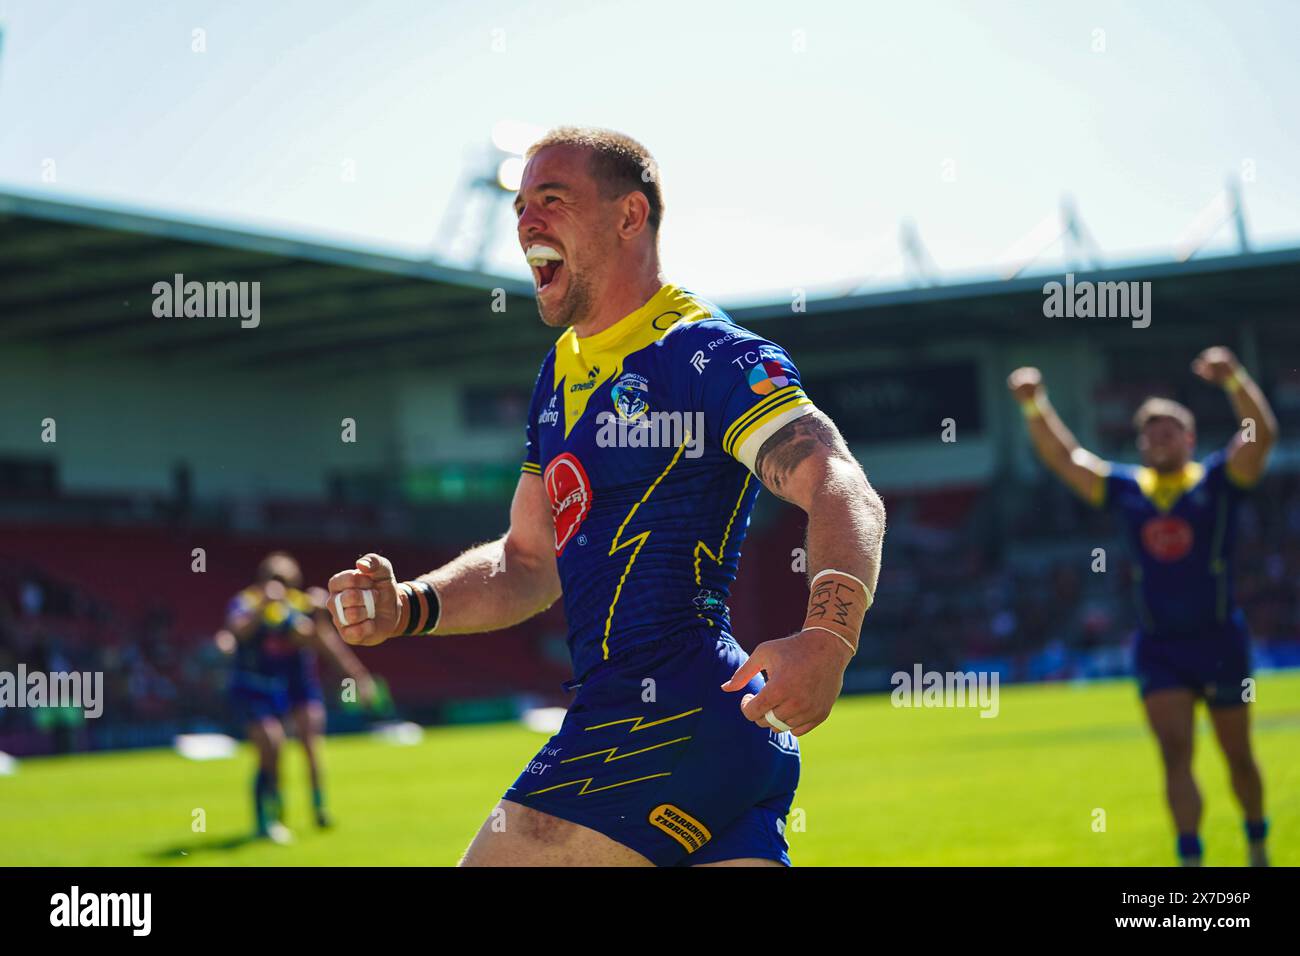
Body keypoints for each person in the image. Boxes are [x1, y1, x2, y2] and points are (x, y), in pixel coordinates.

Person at [327, 127, 886, 866]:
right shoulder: (558, 374)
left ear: (629, 217)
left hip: (666, 716)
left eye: (551, 200)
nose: (526, 222)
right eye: (520, 205)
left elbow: (844, 486)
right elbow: (528, 562)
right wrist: (411, 605)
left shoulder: (706, 354)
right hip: (709, 730)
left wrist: (828, 638)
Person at [1008, 347, 1277, 866]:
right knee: (1175, 754)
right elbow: (1065, 458)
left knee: (1238, 757)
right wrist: (1033, 404)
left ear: (1190, 439)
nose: (1157, 438)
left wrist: (1235, 378)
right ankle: (1191, 860)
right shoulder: (1128, 490)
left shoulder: (1219, 482)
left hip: (1221, 639)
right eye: (1149, 433)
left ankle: (1257, 842)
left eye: (1169, 430)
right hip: (1160, 647)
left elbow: (1262, 434)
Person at [217, 551, 375, 843]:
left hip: (279, 689)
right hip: (251, 688)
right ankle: (269, 818)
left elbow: (317, 640)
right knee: (271, 744)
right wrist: (263, 607)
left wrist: (317, 617)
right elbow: (235, 632)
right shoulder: (247, 603)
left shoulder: (294, 607)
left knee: (303, 745)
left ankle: (307, 810)